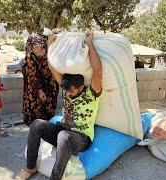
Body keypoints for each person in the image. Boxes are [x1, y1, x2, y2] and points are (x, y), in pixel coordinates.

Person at [16, 32, 103, 180]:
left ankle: (55, 177)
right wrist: (50, 43)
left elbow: (97, 71)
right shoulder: (67, 87)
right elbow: (52, 67)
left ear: (81, 87)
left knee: (64, 136)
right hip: (63, 130)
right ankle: (30, 167)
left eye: (71, 91)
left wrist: (89, 43)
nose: (67, 94)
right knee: (37, 124)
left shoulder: (92, 94)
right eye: (66, 90)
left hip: (81, 138)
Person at [22, 33, 59, 125]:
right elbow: (33, 76)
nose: (40, 54)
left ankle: (47, 125)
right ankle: (35, 126)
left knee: (49, 104)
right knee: (35, 106)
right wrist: (39, 90)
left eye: (42, 49)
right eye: (36, 52)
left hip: (50, 84)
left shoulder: (52, 51)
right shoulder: (30, 57)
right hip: (34, 86)